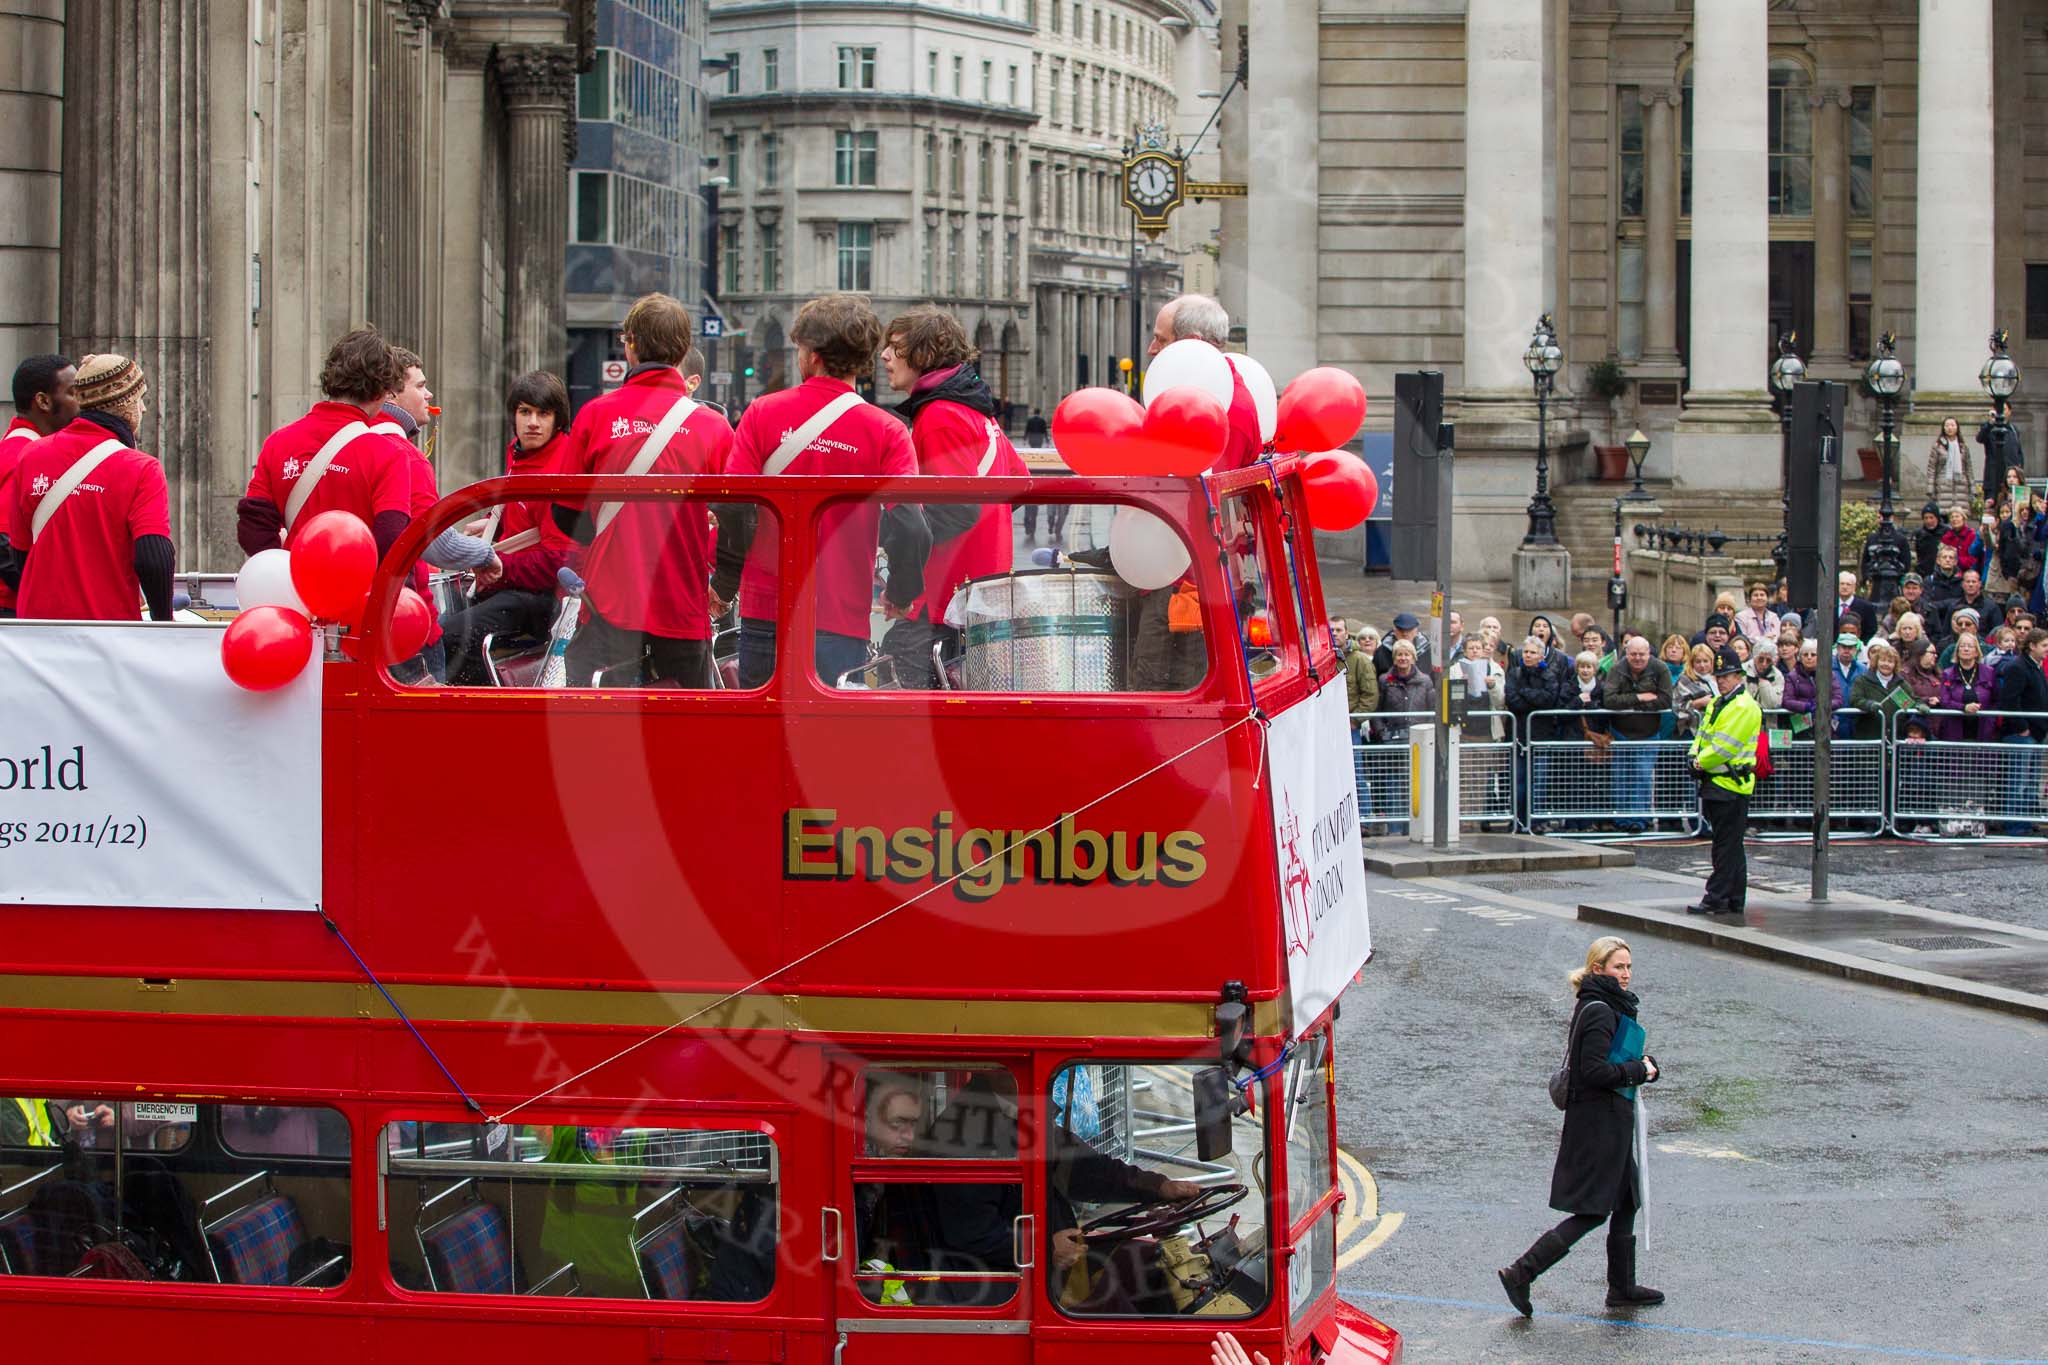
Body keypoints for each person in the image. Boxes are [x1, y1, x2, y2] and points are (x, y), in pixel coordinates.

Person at [722, 293, 930, 688]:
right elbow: (912, 526)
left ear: (813, 355)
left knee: (761, 738)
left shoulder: (762, 413)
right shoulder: (887, 431)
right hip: (841, 615)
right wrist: (901, 593)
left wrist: (725, 584)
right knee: (832, 742)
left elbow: (733, 506)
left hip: (768, 607)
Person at [550, 295, 733, 689]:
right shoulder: (713, 428)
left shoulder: (595, 416)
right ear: (683, 350)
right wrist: (724, 585)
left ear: (628, 344)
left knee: (597, 737)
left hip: (607, 610)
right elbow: (739, 518)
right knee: (683, 740)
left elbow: (563, 511)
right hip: (682, 611)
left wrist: (605, 538)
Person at [1498, 937, 1661, 1316]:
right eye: (1618, 966)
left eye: (1628, 967)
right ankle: (1521, 1272)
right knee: (1593, 1210)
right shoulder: (1600, 1010)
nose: (1625, 974)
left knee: (1627, 1199)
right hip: (1599, 1125)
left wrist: (1645, 1065)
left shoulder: (1607, 1006)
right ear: (1597, 969)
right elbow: (1594, 1072)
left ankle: (1621, 1288)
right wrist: (1640, 1070)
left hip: (1611, 1121)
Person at [880, 307, 1028, 688]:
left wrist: (896, 544)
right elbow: (1019, 479)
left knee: (901, 688)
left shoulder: (939, 415)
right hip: (975, 593)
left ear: (923, 355)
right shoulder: (975, 411)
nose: (884, 356)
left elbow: (956, 510)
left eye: (895, 348)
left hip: (943, 598)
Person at [2, 354, 174, 621]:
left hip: (37, 630)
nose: (143, 409)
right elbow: (153, 558)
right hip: (109, 629)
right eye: (139, 399)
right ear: (123, 404)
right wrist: (164, 622)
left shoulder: (31, 455)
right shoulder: (141, 468)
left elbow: (21, 551)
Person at [440, 371, 577, 684]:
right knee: (435, 624)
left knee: (453, 636)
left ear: (558, 420)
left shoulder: (563, 469)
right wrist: (492, 525)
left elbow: (560, 559)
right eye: (525, 412)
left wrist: (498, 565)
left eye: (544, 414)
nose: (532, 422)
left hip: (545, 596)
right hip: (514, 582)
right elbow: (529, 519)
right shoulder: (519, 453)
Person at [238, 326, 417, 559]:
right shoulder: (389, 454)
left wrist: (282, 568)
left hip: (289, 589)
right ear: (380, 392)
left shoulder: (278, 442)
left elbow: (253, 526)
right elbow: (391, 536)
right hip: (360, 591)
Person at [0, 355, 80, 618]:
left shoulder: (20, 450)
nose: (82, 401)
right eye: (73, 392)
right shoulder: (22, 456)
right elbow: (5, 544)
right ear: (43, 401)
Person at [1147, 293, 1261, 472]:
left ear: (1191, 343)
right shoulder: (1203, 396)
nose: (1151, 349)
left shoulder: (1227, 414)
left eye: (1162, 340)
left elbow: (1205, 495)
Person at [1687, 648, 1759, 914]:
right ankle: (1733, 898)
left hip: (1732, 782)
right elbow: (1703, 734)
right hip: (1715, 781)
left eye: (1727, 675)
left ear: (1738, 676)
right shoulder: (1718, 703)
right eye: (1719, 676)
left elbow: (1724, 748)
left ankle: (1716, 897)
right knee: (1729, 844)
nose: (1722, 680)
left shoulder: (1744, 706)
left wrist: (1698, 762)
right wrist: (1694, 754)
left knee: (1725, 846)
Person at [1602, 636, 1671, 832]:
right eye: (1633, 654)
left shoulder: (1660, 669)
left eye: (1642, 654)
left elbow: (1665, 701)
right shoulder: (1617, 669)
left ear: (1649, 653)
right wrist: (1639, 697)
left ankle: (1639, 819)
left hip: (1648, 734)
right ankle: (1621, 819)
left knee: (1642, 777)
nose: (1638, 658)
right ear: (1627, 653)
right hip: (1620, 732)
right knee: (1621, 778)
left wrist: (1632, 704)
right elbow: (1609, 700)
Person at [1507, 635, 1571, 826]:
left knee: (1539, 781)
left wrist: (1525, 693)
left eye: (1532, 652)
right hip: (1519, 734)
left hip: (1541, 734)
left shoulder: (1549, 675)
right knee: (1518, 781)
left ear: (1541, 656)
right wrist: (1531, 699)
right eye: (1525, 652)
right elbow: (1512, 700)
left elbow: (1548, 700)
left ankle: (1536, 820)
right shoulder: (1515, 674)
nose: (1528, 655)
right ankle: (1517, 820)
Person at [1994, 627, 2048, 834]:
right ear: (2032, 646)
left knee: (2030, 781)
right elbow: (2010, 700)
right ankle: (2014, 825)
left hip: (2035, 733)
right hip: (2022, 734)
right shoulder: (2018, 667)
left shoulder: (2036, 666)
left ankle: (2025, 821)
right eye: (2044, 645)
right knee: (2018, 781)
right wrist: (2022, 728)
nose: (2047, 649)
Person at [1939, 632, 1999, 743]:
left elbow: (1996, 699)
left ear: (1976, 652)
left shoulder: (1989, 672)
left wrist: (1991, 719)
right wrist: (1964, 707)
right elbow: (1945, 701)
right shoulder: (1948, 674)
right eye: (1962, 646)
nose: (1966, 649)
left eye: (1970, 646)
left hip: (1983, 728)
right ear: (1957, 651)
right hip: (1955, 729)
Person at [1848, 641, 1913, 741]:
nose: (1886, 664)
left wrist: (1919, 706)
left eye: (1890, 661)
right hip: (1869, 737)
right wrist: (1869, 705)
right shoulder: (1862, 680)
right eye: (1883, 660)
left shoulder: (1901, 684)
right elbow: (1854, 699)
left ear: (1895, 664)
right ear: (1877, 661)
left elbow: (1910, 703)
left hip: (1895, 739)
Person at [1375, 639, 1434, 741]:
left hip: (1420, 736)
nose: (1403, 658)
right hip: (1391, 736)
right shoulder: (1384, 680)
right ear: (1394, 658)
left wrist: (1428, 731)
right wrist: (1381, 731)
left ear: (1413, 658)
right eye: (1399, 654)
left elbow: (1433, 709)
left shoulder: (1425, 681)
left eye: (1407, 654)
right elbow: (1377, 709)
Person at [1927, 416, 1975, 511]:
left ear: (1957, 427)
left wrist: (1972, 488)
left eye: (1952, 425)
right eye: (1947, 425)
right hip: (1943, 485)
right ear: (1943, 428)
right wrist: (1930, 488)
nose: (1950, 428)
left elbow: (1969, 468)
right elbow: (1931, 468)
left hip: (1961, 486)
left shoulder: (1963, 447)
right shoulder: (1937, 446)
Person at [1671, 643, 1717, 738]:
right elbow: (1676, 706)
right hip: (1691, 730)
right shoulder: (1684, 680)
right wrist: (1698, 703)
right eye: (1698, 662)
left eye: (1705, 661)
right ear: (1692, 663)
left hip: (1715, 729)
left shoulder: (1717, 679)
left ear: (1712, 662)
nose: (1702, 665)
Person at [1829, 632, 1866, 739]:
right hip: (1834, 719)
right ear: (1837, 648)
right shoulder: (1827, 666)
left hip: (1856, 721)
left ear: (1856, 650)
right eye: (1843, 647)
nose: (1847, 650)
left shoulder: (1863, 669)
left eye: (1850, 647)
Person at [1341, 617, 1378, 724]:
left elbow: (1370, 694)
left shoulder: (1361, 661)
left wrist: (1355, 720)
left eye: (1371, 638)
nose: (1367, 640)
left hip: (1356, 720)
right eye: (1363, 638)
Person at [1373, 611, 1431, 676]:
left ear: (1416, 631)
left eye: (1409, 630)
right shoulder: (1382, 651)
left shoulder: (1427, 650)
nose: (1405, 634)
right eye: (1401, 630)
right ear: (1394, 630)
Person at [1831, 570, 1880, 644]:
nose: (1845, 587)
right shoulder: (1830, 605)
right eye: (1842, 584)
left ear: (1854, 587)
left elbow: (1871, 630)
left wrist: (1859, 644)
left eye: (1848, 584)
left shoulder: (1866, 607)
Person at [1732, 582, 1780, 650]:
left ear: (1767, 598)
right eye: (1755, 595)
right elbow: (1743, 639)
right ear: (1749, 599)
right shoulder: (1741, 617)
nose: (1759, 598)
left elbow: (1778, 636)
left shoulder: (1774, 616)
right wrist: (1763, 639)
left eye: (1762, 595)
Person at [1940, 504, 1985, 576]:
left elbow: (1973, 559)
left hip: (1969, 574)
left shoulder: (1972, 535)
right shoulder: (1946, 537)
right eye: (1952, 517)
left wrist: (1956, 560)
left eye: (1957, 516)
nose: (1954, 519)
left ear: (1963, 519)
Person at [1745, 632, 1786, 710]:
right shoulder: (1743, 671)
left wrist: (1764, 684)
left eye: (1768, 660)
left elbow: (1774, 704)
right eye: (1761, 659)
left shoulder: (1777, 675)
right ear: (1754, 657)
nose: (1764, 664)